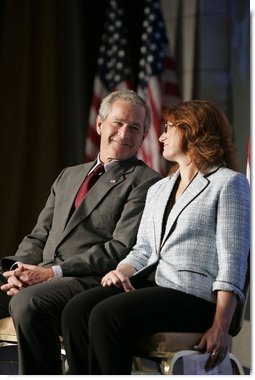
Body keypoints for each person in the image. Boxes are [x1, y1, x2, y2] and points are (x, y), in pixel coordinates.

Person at [60, 99, 250, 375]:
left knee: (107, 315)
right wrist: (121, 270)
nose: (160, 136)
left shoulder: (229, 183)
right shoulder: (159, 189)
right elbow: (143, 248)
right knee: (75, 310)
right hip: (154, 286)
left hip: (197, 297)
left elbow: (234, 261)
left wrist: (221, 325)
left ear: (192, 131)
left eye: (168, 128)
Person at [0, 90, 161, 374]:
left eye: (135, 128)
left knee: (28, 303)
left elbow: (119, 248)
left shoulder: (146, 182)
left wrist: (51, 273)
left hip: (88, 280)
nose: (125, 133)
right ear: (100, 124)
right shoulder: (69, 175)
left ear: (145, 134)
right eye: (118, 123)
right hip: (43, 272)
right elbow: (40, 234)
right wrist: (18, 269)